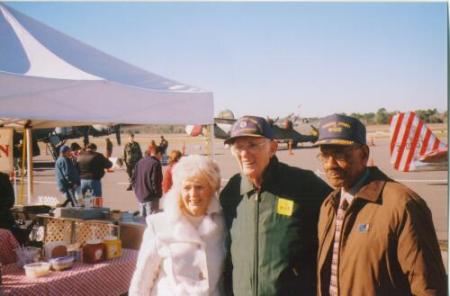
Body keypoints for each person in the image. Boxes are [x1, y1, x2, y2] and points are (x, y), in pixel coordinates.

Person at [315, 114, 446, 296]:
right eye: (324, 155)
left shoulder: (403, 205)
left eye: (339, 154)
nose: (330, 164)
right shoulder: (329, 206)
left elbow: (428, 287)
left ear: (364, 155)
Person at [220, 115, 332, 296]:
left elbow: (340, 214)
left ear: (272, 148)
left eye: (252, 145)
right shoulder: (231, 193)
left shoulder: (303, 184)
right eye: (238, 147)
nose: (244, 153)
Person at [129, 155, 226, 295]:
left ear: (211, 189)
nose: (193, 194)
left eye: (199, 187)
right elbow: (142, 280)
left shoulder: (222, 224)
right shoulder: (159, 225)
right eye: (187, 187)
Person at [131, 145, 164, 217]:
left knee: (142, 222)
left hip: (140, 197)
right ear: (158, 153)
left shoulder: (140, 162)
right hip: (151, 198)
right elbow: (155, 182)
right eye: (161, 155)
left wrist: (137, 191)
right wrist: (158, 194)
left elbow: (133, 179)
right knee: (151, 222)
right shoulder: (155, 163)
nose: (161, 157)